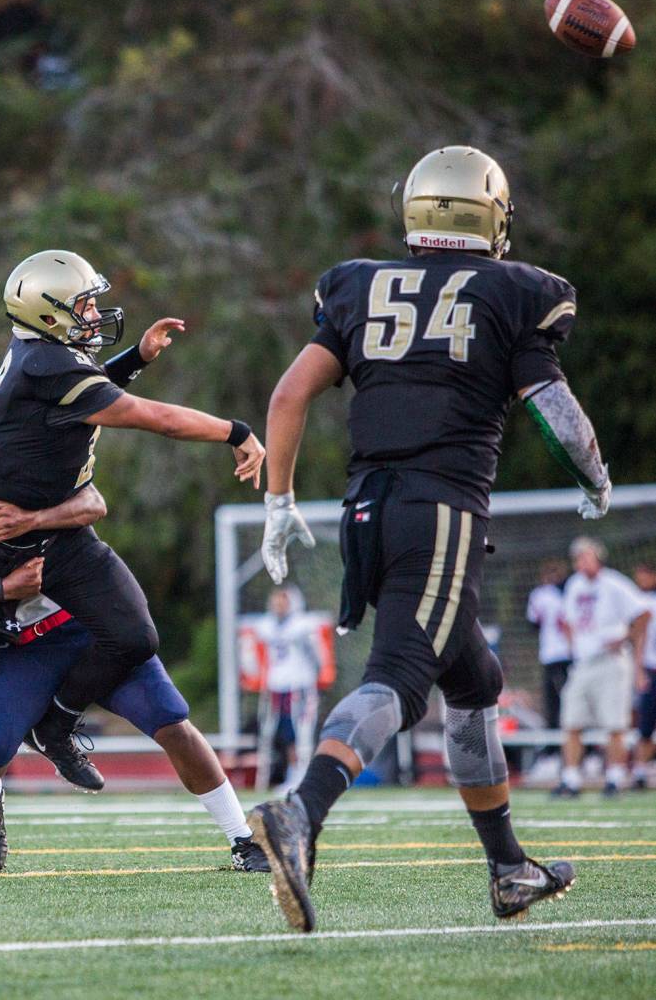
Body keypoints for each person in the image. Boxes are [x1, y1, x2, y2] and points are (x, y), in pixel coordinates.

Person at [246, 145, 611, 932]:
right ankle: (301, 810)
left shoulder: (357, 284)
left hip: (367, 513)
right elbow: (553, 409)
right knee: (402, 680)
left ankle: (509, 867)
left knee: (472, 681)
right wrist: (593, 475)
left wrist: (277, 500)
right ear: (491, 216)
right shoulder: (516, 291)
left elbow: (287, 393)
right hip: (441, 509)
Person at [0, 351, 268, 876]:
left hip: (81, 624)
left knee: (171, 718)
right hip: (17, 644)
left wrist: (33, 518)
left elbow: (92, 502)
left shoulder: (25, 463)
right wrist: (4, 587)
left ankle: (242, 839)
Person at [0, 248, 265, 776]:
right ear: (48, 313)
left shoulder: (40, 357)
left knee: (135, 638)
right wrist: (236, 432)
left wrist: (136, 359)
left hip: (50, 544)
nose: (92, 313)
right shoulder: (42, 369)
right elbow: (150, 417)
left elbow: (85, 432)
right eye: (82, 304)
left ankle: (56, 724)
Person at [553, 537, 649, 798]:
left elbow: (643, 613)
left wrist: (626, 637)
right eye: (577, 558)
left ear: (597, 557)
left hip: (611, 661)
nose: (580, 563)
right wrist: (574, 648)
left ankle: (615, 778)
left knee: (614, 723)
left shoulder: (614, 583)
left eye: (585, 557)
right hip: (583, 663)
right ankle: (571, 778)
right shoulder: (574, 585)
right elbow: (568, 620)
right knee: (571, 720)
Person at [253, 586, 322, 792]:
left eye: (283, 602)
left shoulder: (303, 626)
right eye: (276, 602)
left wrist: (311, 677)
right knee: (283, 734)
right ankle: (286, 775)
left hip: (299, 685)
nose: (278, 606)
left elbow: (316, 657)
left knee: (302, 733)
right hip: (278, 686)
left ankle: (302, 777)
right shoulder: (267, 625)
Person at [525, 558, 571, 776]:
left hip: (560, 655)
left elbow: (533, 622)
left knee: (564, 707)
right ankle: (556, 753)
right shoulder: (568, 591)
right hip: (560, 656)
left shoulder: (543, 594)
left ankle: (559, 754)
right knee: (558, 707)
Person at [631, 560, 656, 789]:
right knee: (646, 725)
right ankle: (639, 770)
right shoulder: (642, 602)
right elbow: (640, 638)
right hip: (651, 669)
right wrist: (638, 670)